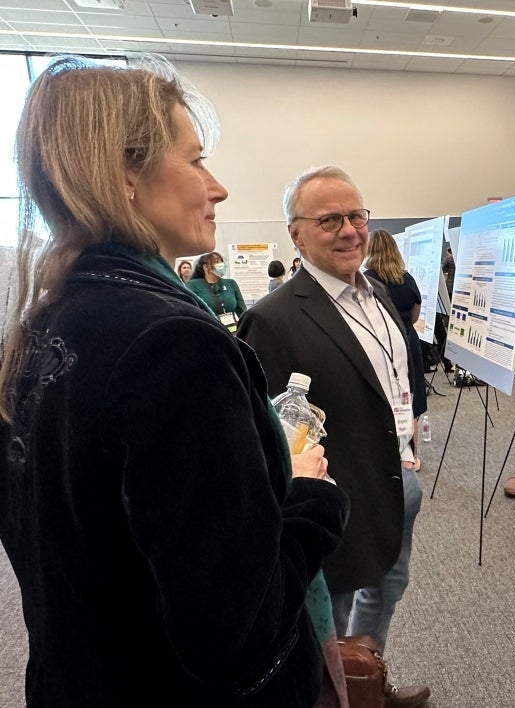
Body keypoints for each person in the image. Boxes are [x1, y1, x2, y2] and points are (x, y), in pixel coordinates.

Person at [0, 56, 349, 707]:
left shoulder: (39, 326)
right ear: (124, 175)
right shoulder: (176, 347)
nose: (216, 188)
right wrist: (310, 497)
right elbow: (235, 634)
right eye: (195, 160)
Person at [238, 166, 429, 708]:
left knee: (386, 591)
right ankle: (337, 696)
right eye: (329, 220)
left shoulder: (379, 297)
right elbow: (268, 438)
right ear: (296, 234)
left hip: (397, 481)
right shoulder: (271, 320)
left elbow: (392, 383)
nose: (349, 230)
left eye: (357, 215)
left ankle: (369, 683)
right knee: (329, 620)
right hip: (333, 503)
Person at [364, 229, 428, 423]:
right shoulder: (407, 279)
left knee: (384, 402)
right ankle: (412, 452)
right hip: (408, 341)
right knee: (412, 403)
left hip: (380, 345)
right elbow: (414, 316)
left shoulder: (365, 280)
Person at [187, 250, 246, 329]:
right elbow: (189, 312)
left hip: (231, 330)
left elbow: (242, 310)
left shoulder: (231, 283)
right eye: (216, 261)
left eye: (221, 261)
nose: (221, 264)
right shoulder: (193, 285)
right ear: (205, 267)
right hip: (207, 329)